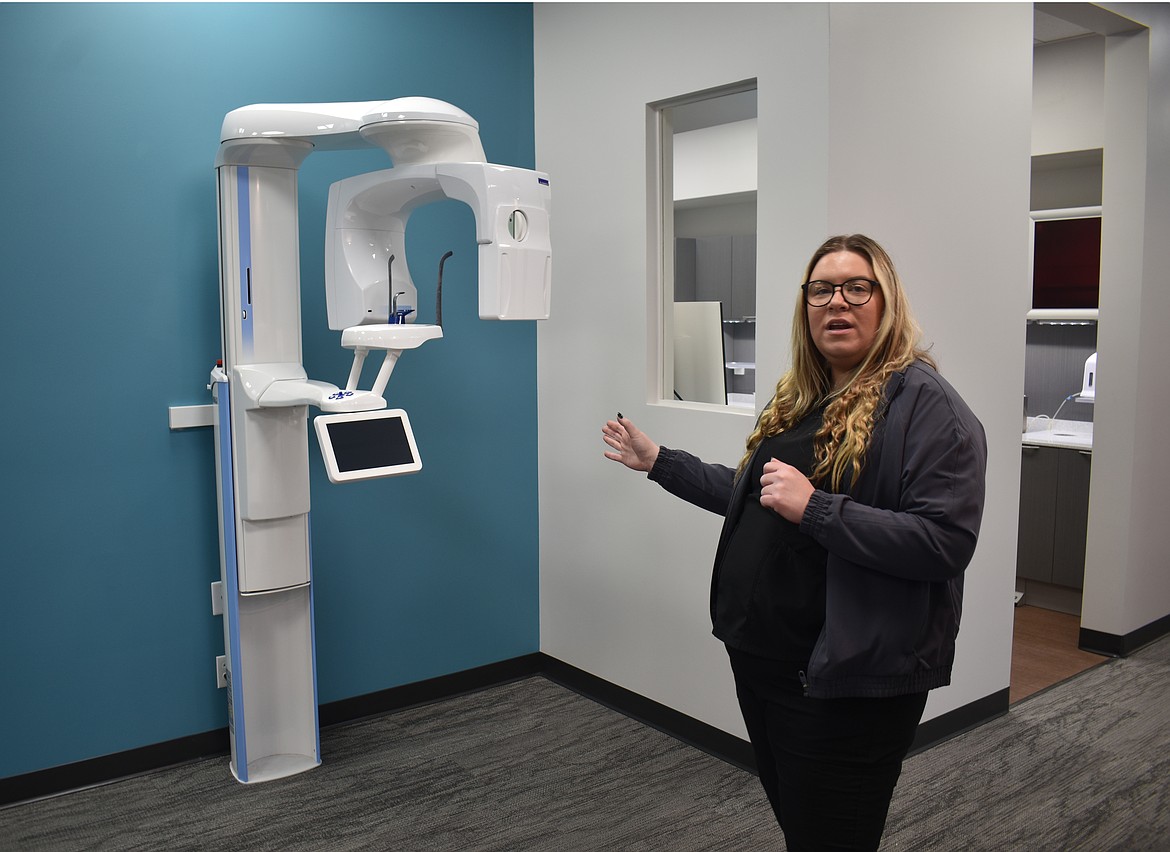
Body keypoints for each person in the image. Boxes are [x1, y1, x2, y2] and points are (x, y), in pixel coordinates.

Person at [601, 234, 987, 851]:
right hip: (765, 663)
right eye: (821, 289)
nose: (838, 301)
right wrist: (660, 463)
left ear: (887, 302)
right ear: (805, 307)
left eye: (858, 287)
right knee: (801, 827)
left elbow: (944, 542)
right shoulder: (805, 397)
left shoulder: (928, 407)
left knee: (833, 837)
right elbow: (755, 495)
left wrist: (819, 510)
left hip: (844, 685)